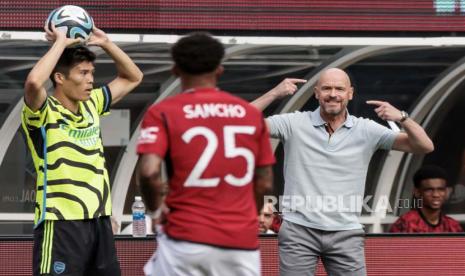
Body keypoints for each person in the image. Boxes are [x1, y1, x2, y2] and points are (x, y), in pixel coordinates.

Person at [251, 68, 434, 276]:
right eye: (327, 88)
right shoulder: (293, 123)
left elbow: (424, 146)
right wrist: (273, 94)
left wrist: (402, 118)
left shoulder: (367, 130)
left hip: (346, 232)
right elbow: (239, 122)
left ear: (350, 93)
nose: (333, 94)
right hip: (298, 231)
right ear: (316, 93)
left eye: (339, 88)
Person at [136, 32, 275, 276]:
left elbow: (148, 172)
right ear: (220, 70)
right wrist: (243, 217)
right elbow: (264, 182)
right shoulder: (250, 115)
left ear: (175, 70)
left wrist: (156, 211)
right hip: (240, 243)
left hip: (185, 237)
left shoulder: (163, 112)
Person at [22, 23, 143, 275]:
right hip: (60, 223)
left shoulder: (92, 104)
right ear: (60, 78)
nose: (90, 80)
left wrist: (107, 43)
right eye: (83, 73)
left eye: (92, 73)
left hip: (99, 221)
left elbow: (134, 77)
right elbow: (34, 82)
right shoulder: (44, 111)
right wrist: (60, 43)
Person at [390, 165, 463, 233]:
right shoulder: (406, 223)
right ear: (417, 192)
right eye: (429, 190)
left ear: (446, 192)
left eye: (441, 189)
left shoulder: (452, 225)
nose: (436, 195)